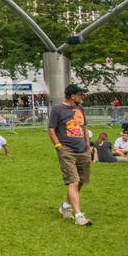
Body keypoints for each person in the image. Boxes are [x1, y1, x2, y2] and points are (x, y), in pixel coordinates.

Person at [48, 83, 93, 226]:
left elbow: (85, 128)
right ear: (72, 96)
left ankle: (65, 206)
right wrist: (58, 146)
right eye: (81, 94)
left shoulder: (80, 108)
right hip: (67, 150)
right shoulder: (57, 110)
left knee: (80, 181)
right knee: (73, 181)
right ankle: (79, 215)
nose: (83, 97)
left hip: (83, 149)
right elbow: (51, 129)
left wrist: (88, 145)